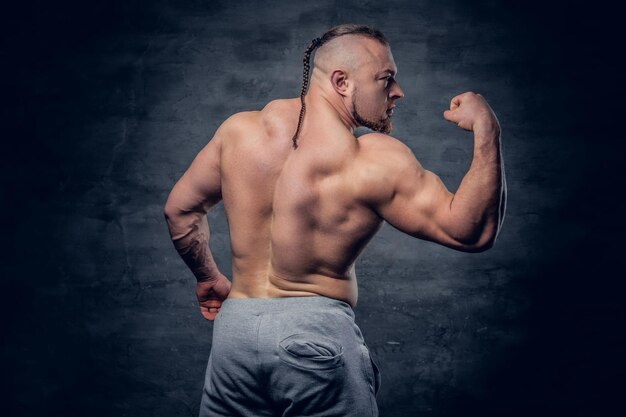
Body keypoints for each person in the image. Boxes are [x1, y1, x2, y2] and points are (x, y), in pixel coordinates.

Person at [164, 23, 506, 417]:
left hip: (235, 333)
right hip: (313, 336)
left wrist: (208, 278)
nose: (398, 92)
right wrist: (487, 131)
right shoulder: (370, 158)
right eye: (386, 79)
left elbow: (180, 211)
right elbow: (472, 232)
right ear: (342, 82)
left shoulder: (237, 132)